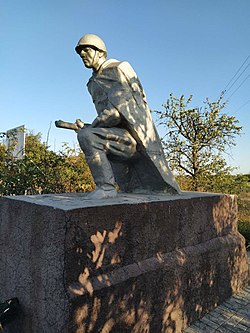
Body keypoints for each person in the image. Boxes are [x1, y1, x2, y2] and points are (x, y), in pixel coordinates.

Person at [75, 34, 180, 199]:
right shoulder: (91, 83)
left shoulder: (117, 69)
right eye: (80, 52)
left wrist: (92, 128)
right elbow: (107, 120)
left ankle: (107, 188)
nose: (82, 54)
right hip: (121, 139)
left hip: (135, 140)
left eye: (87, 50)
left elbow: (115, 114)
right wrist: (92, 127)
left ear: (101, 52)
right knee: (89, 135)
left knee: (88, 136)